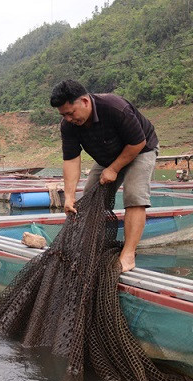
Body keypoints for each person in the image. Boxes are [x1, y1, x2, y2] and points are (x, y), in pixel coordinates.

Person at [50, 80, 159, 272]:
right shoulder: (68, 126)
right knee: (89, 198)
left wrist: (114, 169)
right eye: (63, 115)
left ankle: (128, 254)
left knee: (134, 195)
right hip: (107, 156)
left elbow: (137, 142)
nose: (68, 118)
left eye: (70, 113)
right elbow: (72, 160)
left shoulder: (115, 107)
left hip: (141, 149)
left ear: (84, 101)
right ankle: (89, 248)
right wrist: (68, 196)